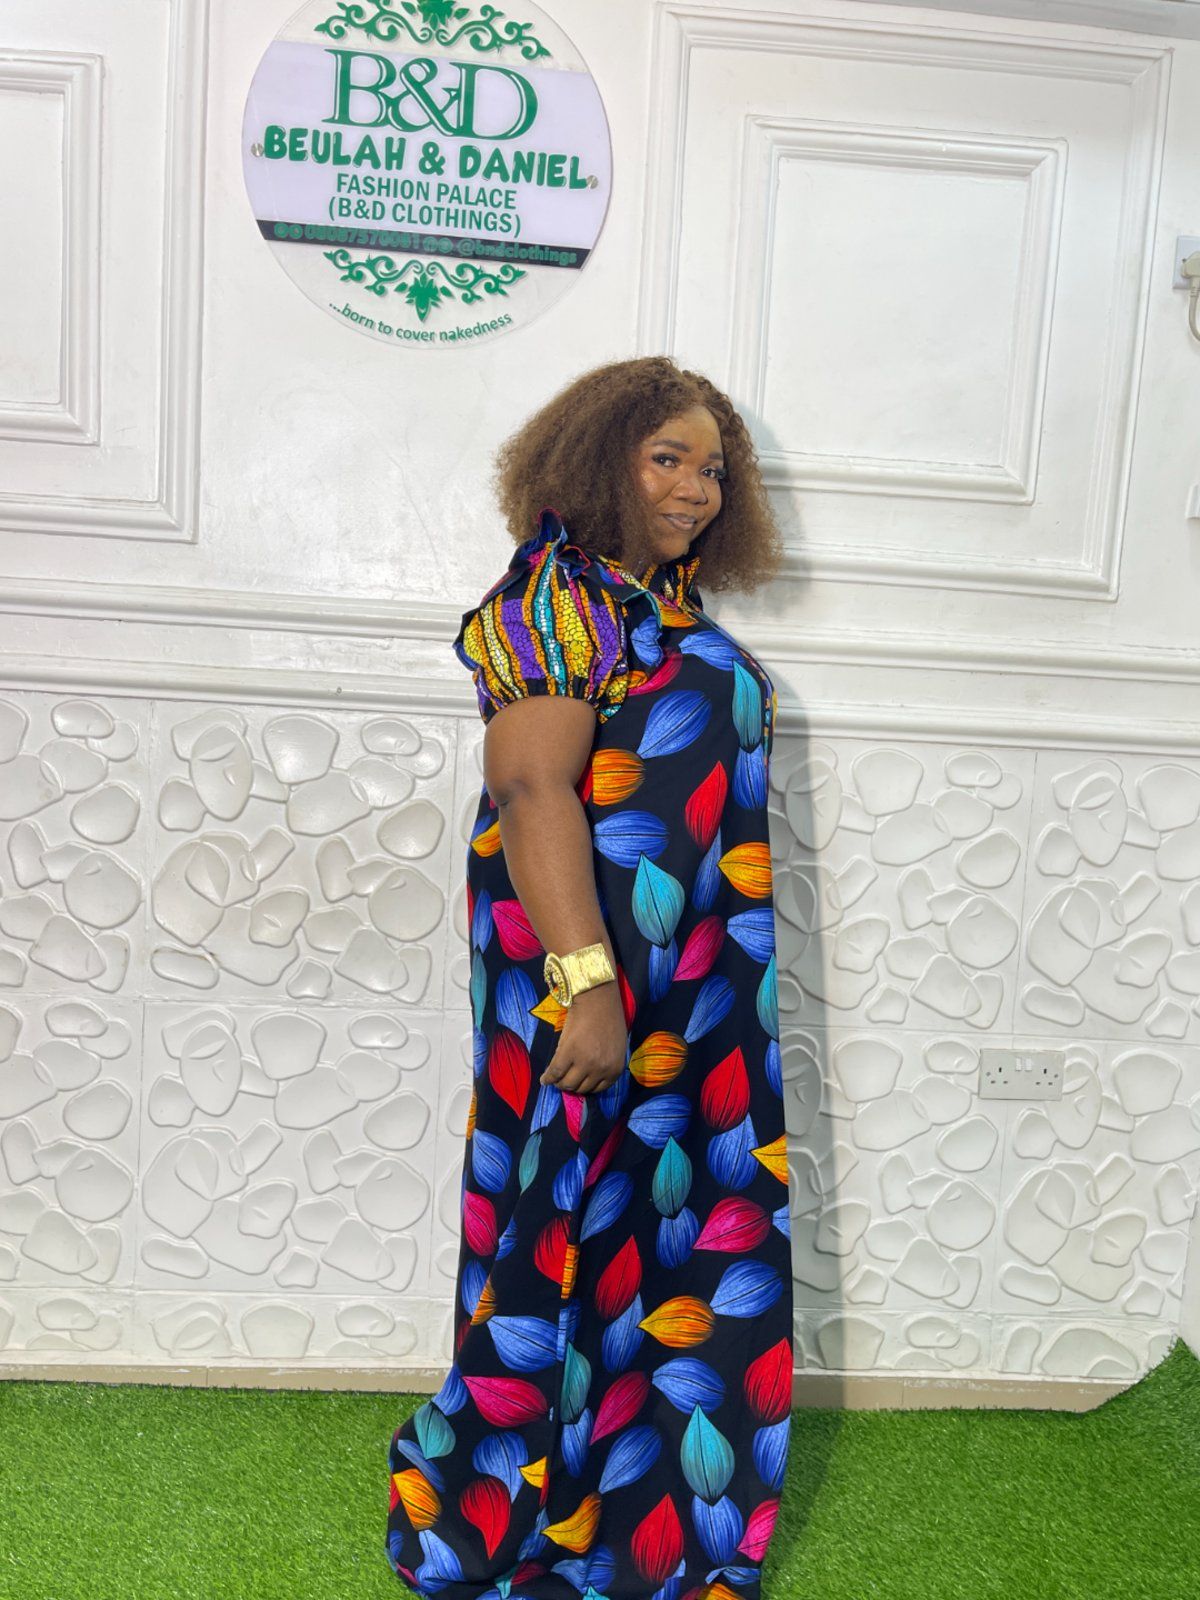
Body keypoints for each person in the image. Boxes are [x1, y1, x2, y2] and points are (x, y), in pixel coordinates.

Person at [386, 355, 793, 1600]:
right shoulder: (560, 595)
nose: (696, 488)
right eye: (667, 458)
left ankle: (646, 1507)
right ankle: (509, 1510)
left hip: (695, 986)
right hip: (593, 979)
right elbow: (528, 787)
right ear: (598, 459)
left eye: (712, 468)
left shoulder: (656, 604)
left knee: (663, 1234)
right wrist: (590, 983)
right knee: (559, 1227)